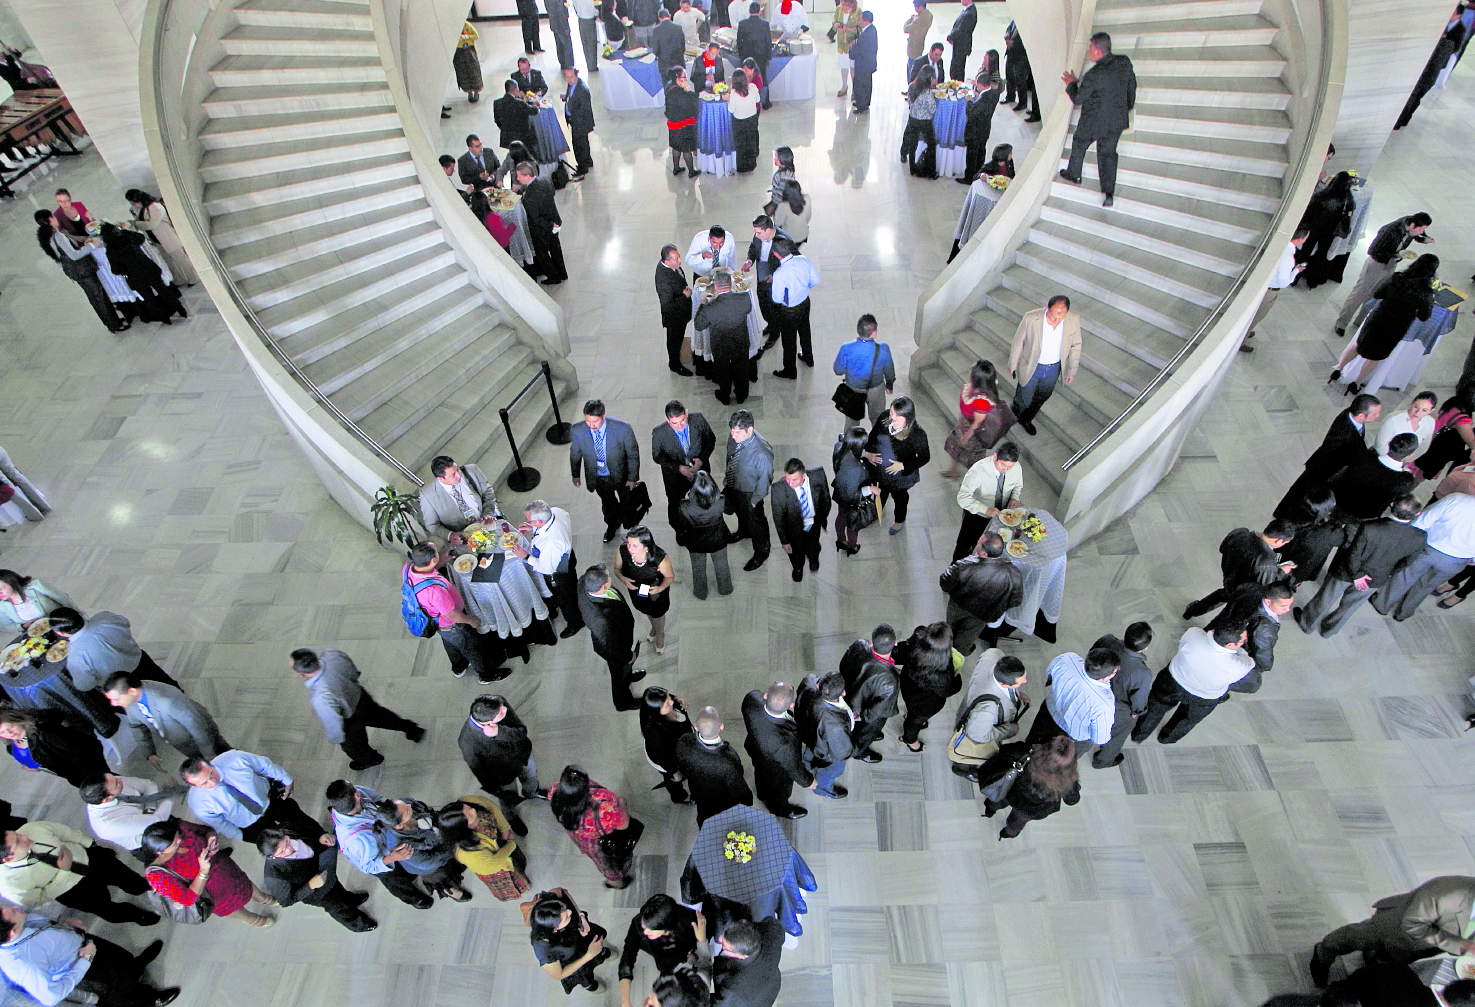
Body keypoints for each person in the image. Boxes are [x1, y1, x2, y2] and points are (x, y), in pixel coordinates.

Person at [1296, 494, 1425, 636]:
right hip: (1375, 579)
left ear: (1392, 505)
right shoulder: (1419, 537)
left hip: (1347, 571)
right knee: (1349, 607)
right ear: (1417, 513)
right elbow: (1407, 562)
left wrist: (1357, 575)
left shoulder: (1370, 527)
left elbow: (1354, 553)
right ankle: (1329, 630)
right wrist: (1387, 572)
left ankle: (1307, 623)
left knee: (1325, 598)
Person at [1310, 876, 1475, 986]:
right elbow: (1412, 924)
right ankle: (1322, 954)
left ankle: (1376, 956)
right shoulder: (1445, 894)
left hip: (1422, 946)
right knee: (1352, 938)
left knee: (1391, 959)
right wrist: (1464, 945)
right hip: (1394, 926)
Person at [0, 906, 179, 1007]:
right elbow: (50, 996)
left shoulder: (19, 920)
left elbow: (37, 917)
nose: (15, 907)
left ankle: (137, 965)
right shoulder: (21, 963)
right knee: (119, 987)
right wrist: (85, 960)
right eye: (13, 912)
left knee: (122, 958)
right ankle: (151, 999)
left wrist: (62, 919)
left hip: (84, 942)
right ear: (12, 932)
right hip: (84, 967)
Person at [292, 647, 423, 771]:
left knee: (355, 747)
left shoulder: (319, 696)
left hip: (350, 719)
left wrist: (337, 737)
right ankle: (412, 729)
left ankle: (371, 760)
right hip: (361, 698)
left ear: (301, 674)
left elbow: (332, 720)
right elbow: (353, 671)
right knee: (384, 717)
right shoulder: (331, 655)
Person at [0, 822, 157, 925]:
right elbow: (39, 900)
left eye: (17, 833)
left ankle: (146, 887)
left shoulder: (31, 829)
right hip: (72, 891)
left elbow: (64, 832)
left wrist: (90, 844)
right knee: (108, 910)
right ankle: (136, 915)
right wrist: (64, 871)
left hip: (87, 858)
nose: (25, 836)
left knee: (126, 877)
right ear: (8, 858)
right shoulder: (9, 884)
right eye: (18, 841)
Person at [402, 541, 509, 685]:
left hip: (436, 623)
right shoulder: (435, 591)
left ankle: (459, 667)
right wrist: (470, 620)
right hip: (452, 625)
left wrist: (441, 562)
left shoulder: (408, 567)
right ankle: (486, 674)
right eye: (436, 552)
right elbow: (452, 615)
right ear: (433, 560)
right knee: (472, 648)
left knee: (450, 643)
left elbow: (426, 573)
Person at [1330, 254, 1440, 391]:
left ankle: (1339, 368)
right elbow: (1424, 316)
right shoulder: (1426, 292)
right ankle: (1357, 383)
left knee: (1358, 345)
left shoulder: (1397, 277)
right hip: (1396, 327)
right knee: (1375, 357)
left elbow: (1377, 293)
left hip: (1379, 317)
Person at [1131, 623, 1253, 745]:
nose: (1244, 641)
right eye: (1243, 640)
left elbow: (1183, 643)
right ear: (1230, 644)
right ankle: (1167, 738)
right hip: (1204, 698)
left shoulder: (1194, 634)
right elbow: (1248, 661)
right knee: (1186, 720)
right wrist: (1240, 650)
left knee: (1155, 707)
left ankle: (1139, 734)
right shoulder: (1238, 665)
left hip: (1173, 680)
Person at [139, 818, 275, 927]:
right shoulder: (157, 875)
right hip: (214, 893)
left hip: (225, 867)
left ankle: (262, 898)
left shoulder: (178, 827)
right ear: (161, 852)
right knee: (232, 908)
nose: (180, 840)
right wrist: (203, 870)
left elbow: (206, 830)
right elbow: (187, 899)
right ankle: (253, 919)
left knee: (245, 883)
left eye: (177, 836)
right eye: (174, 844)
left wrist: (211, 839)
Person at [326, 781, 434, 909]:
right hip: (381, 857)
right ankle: (413, 898)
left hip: (387, 839)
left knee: (407, 866)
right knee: (395, 879)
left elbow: (379, 799)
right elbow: (368, 866)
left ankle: (409, 874)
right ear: (356, 796)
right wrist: (393, 857)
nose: (357, 787)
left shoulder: (359, 793)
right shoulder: (355, 839)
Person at [1058, 32, 1137, 207]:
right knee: (1108, 154)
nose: (1087, 50)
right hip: (1115, 121)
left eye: (1090, 47)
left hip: (1093, 122)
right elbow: (1132, 87)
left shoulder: (1093, 74)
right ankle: (1108, 194)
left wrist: (1071, 84)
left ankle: (1074, 174)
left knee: (1079, 141)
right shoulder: (1124, 62)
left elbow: (1078, 98)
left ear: (1097, 50)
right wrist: (1127, 107)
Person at [181, 749, 324, 844]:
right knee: (281, 844)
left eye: (211, 774)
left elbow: (264, 765)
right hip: (251, 826)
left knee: (299, 820)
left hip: (270, 799)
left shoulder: (234, 759)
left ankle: (322, 837)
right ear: (194, 786)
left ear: (210, 764)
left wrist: (286, 779)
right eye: (203, 783)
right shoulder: (199, 803)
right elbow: (219, 823)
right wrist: (239, 836)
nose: (212, 782)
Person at [1274, 395, 1383, 518]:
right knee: (1302, 495)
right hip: (1323, 471)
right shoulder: (1344, 434)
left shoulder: (1351, 413)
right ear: (1361, 415)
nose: (1378, 416)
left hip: (1324, 466)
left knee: (1300, 491)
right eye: (1375, 414)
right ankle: (1285, 515)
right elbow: (1347, 452)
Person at [1373, 491, 1475, 620]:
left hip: (1428, 548)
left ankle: (1382, 605)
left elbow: (1421, 522)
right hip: (1457, 561)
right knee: (1427, 586)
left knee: (1404, 577)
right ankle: (1404, 613)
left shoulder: (1456, 499)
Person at [256, 826, 377, 932]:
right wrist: (310, 886)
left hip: (323, 869)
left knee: (337, 888)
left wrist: (320, 835)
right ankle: (359, 924)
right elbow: (286, 901)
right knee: (338, 906)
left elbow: (307, 827)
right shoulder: (274, 877)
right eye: (282, 851)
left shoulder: (288, 828)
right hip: (316, 892)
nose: (289, 849)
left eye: (287, 842)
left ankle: (350, 900)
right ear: (272, 856)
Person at [1333, 213, 1434, 336]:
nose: (1422, 231)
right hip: (1377, 264)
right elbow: (1373, 251)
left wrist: (1424, 239)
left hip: (1390, 264)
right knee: (1360, 294)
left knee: (1375, 294)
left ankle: (1361, 322)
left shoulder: (1409, 225)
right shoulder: (1390, 231)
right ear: (1413, 225)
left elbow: (1414, 235)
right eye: (1422, 229)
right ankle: (1342, 323)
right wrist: (1397, 255)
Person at [103, 673, 230, 769]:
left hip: (203, 739)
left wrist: (208, 752)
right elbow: (136, 726)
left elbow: (196, 725)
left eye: (116, 699)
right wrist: (149, 753)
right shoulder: (130, 701)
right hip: (183, 743)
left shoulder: (167, 701)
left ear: (132, 691)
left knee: (225, 758)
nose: (113, 704)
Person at [457, 695, 542, 835]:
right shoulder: (467, 741)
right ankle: (511, 816)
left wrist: (499, 732)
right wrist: (496, 790)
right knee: (508, 798)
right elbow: (479, 770)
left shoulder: (498, 703)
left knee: (531, 776)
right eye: (500, 713)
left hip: (523, 755)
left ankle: (532, 792)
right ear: (488, 722)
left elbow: (521, 731)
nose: (505, 709)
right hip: (502, 774)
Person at [1180, 520, 1298, 619]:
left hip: (1229, 576)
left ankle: (1192, 611)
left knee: (1221, 595)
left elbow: (1223, 548)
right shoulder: (1266, 561)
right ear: (1278, 540)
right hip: (1243, 591)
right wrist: (1281, 571)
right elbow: (1263, 586)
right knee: (1230, 612)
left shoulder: (1241, 533)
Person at [365, 795, 473, 903]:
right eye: (406, 810)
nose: (408, 805)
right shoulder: (400, 845)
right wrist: (451, 847)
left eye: (404, 804)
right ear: (398, 825)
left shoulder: (407, 804)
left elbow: (429, 811)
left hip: (439, 841)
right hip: (431, 865)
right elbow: (428, 862)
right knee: (443, 877)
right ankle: (451, 891)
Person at [34, 210, 127, 332]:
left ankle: (111, 322)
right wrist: (92, 246)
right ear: (50, 219)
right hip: (82, 270)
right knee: (99, 296)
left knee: (95, 297)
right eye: (53, 216)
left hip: (74, 272)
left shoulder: (47, 237)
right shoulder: (58, 236)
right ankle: (114, 324)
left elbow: (59, 259)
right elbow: (74, 255)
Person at [547, 765, 638, 888]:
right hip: (599, 841)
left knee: (600, 861)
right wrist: (622, 802)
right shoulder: (603, 809)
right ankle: (615, 881)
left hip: (579, 836)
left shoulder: (554, 792)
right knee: (610, 863)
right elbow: (624, 824)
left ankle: (613, 880)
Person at [47, 609, 175, 692]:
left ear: (60, 633)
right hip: (140, 660)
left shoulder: (75, 657)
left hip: (121, 684)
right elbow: (125, 622)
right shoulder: (104, 617)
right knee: (165, 683)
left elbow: (84, 685)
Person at [978, 735, 1080, 838]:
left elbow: (1004, 751)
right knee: (1018, 821)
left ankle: (990, 810)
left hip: (1010, 792)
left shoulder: (1025, 752)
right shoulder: (1068, 781)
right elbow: (1072, 801)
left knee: (998, 800)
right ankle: (1009, 833)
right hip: (1032, 809)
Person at [570, 399, 643, 543]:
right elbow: (575, 454)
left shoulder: (623, 429)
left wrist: (632, 478)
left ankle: (633, 529)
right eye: (588, 421)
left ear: (603, 416)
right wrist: (575, 474)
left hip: (622, 476)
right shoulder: (577, 430)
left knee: (628, 503)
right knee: (608, 504)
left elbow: (633, 455)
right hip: (598, 477)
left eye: (595, 422)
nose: (591, 426)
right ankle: (612, 525)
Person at [1008, 294, 1082, 436]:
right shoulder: (1031, 318)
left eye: (1061, 317)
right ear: (1047, 309)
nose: (1057, 320)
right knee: (1024, 397)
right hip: (1032, 366)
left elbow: (1076, 346)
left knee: (1042, 396)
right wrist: (1013, 363)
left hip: (1053, 369)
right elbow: (1019, 342)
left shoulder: (1073, 320)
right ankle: (1011, 417)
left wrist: (1072, 370)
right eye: (1054, 317)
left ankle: (1026, 419)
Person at [1025, 647, 1119, 755]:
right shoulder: (1104, 704)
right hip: (1070, 738)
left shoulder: (1068, 658)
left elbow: (1049, 673)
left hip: (1047, 713)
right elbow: (1100, 739)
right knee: (1054, 767)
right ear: (1104, 677)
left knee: (1031, 745)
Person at [941, 532, 1024, 655]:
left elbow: (945, 583)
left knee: (951, 627)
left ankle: (945, 646)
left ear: (983, 553)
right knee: (969, 634)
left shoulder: (963, 566)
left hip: (958, 605)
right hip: (984, 613)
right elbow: (1016, 601)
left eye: (978, 544)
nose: (976, 545)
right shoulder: (1014, 573)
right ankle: (960, 653)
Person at [578, 564, 646, 711]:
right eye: (608, 578)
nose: (610, 578)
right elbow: (613, 646)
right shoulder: (600, 620)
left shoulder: (585, 581)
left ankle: (628, 675)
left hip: (617, 634)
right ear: (603, 587)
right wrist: (629, 657)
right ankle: (623, 703)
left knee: (623, 671)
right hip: (612, 648)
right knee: (618, 675)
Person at [741, 683, 814, 819]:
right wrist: (809, 781)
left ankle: (762, 793)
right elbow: (793, 767)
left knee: (760, 773)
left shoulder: (750, 700)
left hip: (756, 751)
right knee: (780, 792)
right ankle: (778, 809)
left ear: (765, 696)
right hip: (777, 770)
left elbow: (754, 693)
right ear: (791, 705)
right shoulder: (785, 743)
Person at [437, 796, 529, 902]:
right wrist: (511, 843)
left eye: (467, 808)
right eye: (469, 815)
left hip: (500, 844)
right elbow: (494, 864)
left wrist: (505, 828)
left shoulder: (466, 800)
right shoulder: (467, 852)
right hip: (498, 866)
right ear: (463, 828)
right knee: (514, 880)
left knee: (518, 863)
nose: (473, 810)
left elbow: (490, 806)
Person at [619, 895, 705, 1007]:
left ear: (667, 927)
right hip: (661, 958)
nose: (644, 932)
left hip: (683, 954)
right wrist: (625, 1002)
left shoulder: (689, 920)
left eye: (651, 929)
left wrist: (696, 951)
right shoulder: (638, 923)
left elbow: (700, 939)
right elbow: (627, 958)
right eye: (644, 925)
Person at [673, 706, 754, 824]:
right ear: (721, 726)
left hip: (699, 793)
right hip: (722, 800)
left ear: (695, 728)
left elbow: (681, 762)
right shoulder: (729, 760)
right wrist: (747, 800)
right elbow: (737, 787)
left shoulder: (684, 741)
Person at [952, 649, 1029, 771]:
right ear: (1004, 685)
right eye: (1020, 683)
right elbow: (978, 736)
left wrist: (1017, 694)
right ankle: (963, 768)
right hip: (975, 726)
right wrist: (1009, 730)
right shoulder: (987, 709)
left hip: (972, 704)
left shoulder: (994, 654)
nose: (1026, 681)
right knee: (969, 753)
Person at [515, 499, 582, 637]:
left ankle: (575, 623)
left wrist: (525, 557)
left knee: (564, 597)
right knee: (571, 588)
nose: (528, 523)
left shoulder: (552, 542)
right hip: (566, 557)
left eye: (530, 521)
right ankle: (575, 602)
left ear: (540, 522)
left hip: (557, 570)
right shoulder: (557, 512)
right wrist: (532, 528)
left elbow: (546, 568)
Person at [863, 396, 931, 533]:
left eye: (897, 415)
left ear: (908, 417)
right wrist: (868, 453)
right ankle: (877, 511)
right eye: (892, 412)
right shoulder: (884, 418)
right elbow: (872, 437)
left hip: (899, 477)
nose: (892, 417)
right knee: (879, 492)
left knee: (899, 498)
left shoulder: (917, 435)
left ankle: (899, 520)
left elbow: (925, 457)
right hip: (879, 471)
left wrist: (903, 466)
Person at [99, 224, 186, 325]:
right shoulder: (127, 236)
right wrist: (126, 231)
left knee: (149, 299)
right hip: (148, 268)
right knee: (163, 290)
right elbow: (141, 239)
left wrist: (125, 269)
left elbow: (116, 270)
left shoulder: (110, 250)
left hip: (134, 276)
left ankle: (164, 318)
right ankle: (180, 309)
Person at [529, 888, 612, 993]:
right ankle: (591, 985)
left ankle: (603, 952)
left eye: (565, 909)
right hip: (574, 960)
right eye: (566, 917)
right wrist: (589, 955)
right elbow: (558, 974)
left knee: (596, 941)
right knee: (585, 975)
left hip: (579, 935)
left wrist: (581, 917)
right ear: (555, 928)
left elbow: (562, 891)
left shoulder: (548, 903)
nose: (570, 912)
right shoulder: (543, 948)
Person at [893, 622, 960, 752]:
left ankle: (910, 718)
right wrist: (958, 679)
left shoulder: (915, 643)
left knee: (913, 714)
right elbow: (950, 689)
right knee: (914, 721)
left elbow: (895, 655)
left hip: (908, 688)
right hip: (926, 704)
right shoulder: (943, 674)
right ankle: (910, 740)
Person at [943, 359, 1016, 475]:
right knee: (955, 448)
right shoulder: (972, 388)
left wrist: (965, 438)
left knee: (973, 460)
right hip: (964, 424)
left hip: (973, 433)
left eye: (973, 371)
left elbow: (976, 424)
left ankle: (977, 481)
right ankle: (954, 471)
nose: (971, 369)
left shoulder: (981, 401)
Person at [952, 443, 1023, 562]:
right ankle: (956, 570)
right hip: (978, 515)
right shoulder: (978, 471)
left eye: (1010, 466)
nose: (1006, 469)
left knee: (994, 546)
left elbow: (1018, 486)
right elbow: (962, 498)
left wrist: (1014, 498)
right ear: (995, 456)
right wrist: (985, 509)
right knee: (965, 545)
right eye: (1003, 465)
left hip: (1002, 514)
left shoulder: (1016, 467)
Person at [837, 626, 899, 762]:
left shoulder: (859, 645)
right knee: (863, 736)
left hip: (847, 698)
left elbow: (843, 666)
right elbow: (877, 712)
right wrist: (861, 718)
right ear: (895, 644)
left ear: (872, 642)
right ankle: (860, 753)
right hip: (864, 714)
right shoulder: (890, 681)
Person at [1240, 229, 1308, 352]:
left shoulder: (1277, 245)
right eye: (1305, 237)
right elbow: (1283, 282)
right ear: (1299, 239)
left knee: (1251, 314)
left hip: (1261, 284)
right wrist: (1296, 271)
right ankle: (1240, 341)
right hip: (1269, 291)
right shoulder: (1288, 257)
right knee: (1256, 316)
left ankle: (1245, 332)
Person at [1220, 582, 1294, 695]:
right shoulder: (1265, 628)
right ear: (1268, 601)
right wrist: (1265, 666)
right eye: (1284, 606)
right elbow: (1263, 653)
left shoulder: (1253, 589)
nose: (1288, 610)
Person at [0, 709, 107, 787]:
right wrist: (31, 765)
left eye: (10, 727)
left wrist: (93, 778)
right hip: (70, 773)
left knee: (109, 784)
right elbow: (34, 758)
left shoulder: (45, 733)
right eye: (1, 732)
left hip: (86, 767)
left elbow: (79, 752)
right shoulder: (11, 748)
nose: (8, 733)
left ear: (20, 721)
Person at [724, 410, 775, 571]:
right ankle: (743, 531)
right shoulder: (735, 436)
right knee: (740, 512)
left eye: (737, 432)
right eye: (732, 431)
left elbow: (765, 480)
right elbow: (730, 457)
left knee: (756, 522)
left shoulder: (762, 452)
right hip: (735, 485)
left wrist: (755, 500)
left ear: (750, 430)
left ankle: (762, 551)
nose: (733, 435)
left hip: (751, 493)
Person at [80, 774, 181, 854]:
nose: (119, 779)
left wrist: (149, 810)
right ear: (106, 799)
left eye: (113, 777)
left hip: (157, 815)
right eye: (116, 783)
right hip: (153, 843)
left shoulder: (113, 783)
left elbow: (148, 785)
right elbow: (158, 821)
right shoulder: (108, 824)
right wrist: (170, 794)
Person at [653, 401, 716, 527]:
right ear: (667, 420)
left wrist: (701, 459)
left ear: (686, 413)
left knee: (704, 499)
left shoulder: (698, 419)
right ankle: (679, 529)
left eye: (682, 420)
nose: (680, 426)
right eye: (674, 423)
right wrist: (679, 468)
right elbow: (657, 456)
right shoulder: (659, 433)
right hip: (674, 476)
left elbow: (710, 439)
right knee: (675, 503)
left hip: (700, 470)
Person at [1328, 433, 1419, 520]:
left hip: (1336, 504)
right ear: (1410, 455)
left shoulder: (1363, 456)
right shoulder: (1406, 481)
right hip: (1365, 518)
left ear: (1389, 443)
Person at [1394, 20, 1465, 129]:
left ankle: (1399, 123)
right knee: (1416, 99)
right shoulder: (1448, 45)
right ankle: (1405, 120)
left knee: (1412, 99)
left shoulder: (1439, 46)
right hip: (1430, 77)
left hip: (1425, 76)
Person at [770, 458, 831, 583]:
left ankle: (813, 559)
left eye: (794, 480)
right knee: (795, 551)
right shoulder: (778, 489)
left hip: (814, 524)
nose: (790, 484)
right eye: (787, 479)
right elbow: (778, 518)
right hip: (793, 529)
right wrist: (784, 541)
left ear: (804, 475)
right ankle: (798, 568)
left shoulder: (818, 476)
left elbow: (826, 499)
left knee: (813, 546)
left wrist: (821, 518)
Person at [692, 267, 750, 401]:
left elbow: (699, 326)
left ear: (716, 287)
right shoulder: (744, 297)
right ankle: (742, 395)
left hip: (720, 345)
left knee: (723, 370)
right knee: (741, 369)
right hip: (741, 341)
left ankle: (724, 395)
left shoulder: (710, 308)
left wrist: (703, 304)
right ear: (730, 284)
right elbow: (748, 310)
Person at [615, 527, 676, 652]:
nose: (630, 548)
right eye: (629, 543)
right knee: (646, 609)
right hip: (637, 590)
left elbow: (670, 577)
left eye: (635, 545)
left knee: (658, 613)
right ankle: (654, 628)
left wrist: (660, 588)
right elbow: (617, 569)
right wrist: (624, 580)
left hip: (655, 591)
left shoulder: (659, 558)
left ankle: (660, 633)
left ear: (646, 546)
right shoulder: (622, 551)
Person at [418, 455, 501, 547]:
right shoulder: (428, 496)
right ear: (440, 479)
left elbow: (487, 491)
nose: (459, 475)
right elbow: (432, 525)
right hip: (466, 540)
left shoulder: (471, 470)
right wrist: (450, 535)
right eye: (453, 474)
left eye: (457, 469)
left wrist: (488, 512)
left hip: (488, 524)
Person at [796, 670, 855, 798]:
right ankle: (822, 787)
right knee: (834, 769)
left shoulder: (809, 681)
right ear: (843, 693)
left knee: (810, 753)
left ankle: (806, 765)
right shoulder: (834, 724)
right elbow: (841, 752)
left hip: (809, 735)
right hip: (826, 749)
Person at [768, 237, 821, 378]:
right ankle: (808, 358)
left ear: (775, 253)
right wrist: (803, 288)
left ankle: (790, 370)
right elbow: (816, 279)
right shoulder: (803, 259)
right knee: (805, 330)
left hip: (789, 310)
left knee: (789, 341)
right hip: (805, 303)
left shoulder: (779, 274)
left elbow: (776, 299)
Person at [1295, 171, 1357, 289]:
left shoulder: (1322, 195)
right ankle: (1313, 280)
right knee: (1322, 255)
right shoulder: (1346, 199)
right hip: (1330, 232)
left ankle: (1296, 276)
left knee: (1305, 253)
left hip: (1314, 228)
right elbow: (1352, 207)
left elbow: (1309, 212)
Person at [1276, 486, 1347, 589]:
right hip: (1303, 568)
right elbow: (1341, 540)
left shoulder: (1296, 514)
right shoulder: (1331, 531)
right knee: (1288, 585)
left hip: (1287, 555)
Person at [676, 471, 734, 599]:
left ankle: (700, 592)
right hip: (718, 539)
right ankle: (725, 589)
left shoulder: (684, 505)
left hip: (695, 542)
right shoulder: (721, 501)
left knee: (698, 568)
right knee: (721, 564)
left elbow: (682, 525)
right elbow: (730, 511)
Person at [832, 315, 896, 428]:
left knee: (851, 421)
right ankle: (877, 442)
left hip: (853, 390)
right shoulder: (883, 348)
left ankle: (850, 442)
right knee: (878, 420)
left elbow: (838, 370)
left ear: (858, 330)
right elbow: (889, 370)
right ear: (874, 333)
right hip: (876, 390)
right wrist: (889, 385)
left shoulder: (846, 348)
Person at [123, 190, 196, 287]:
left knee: (181, 259)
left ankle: (194, 277)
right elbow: (141, 221)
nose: (135, 205)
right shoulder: (142, 209)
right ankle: (179, 279)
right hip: (158, 240)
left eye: (135, 203)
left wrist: (135, 223)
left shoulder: (155, 207)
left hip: (168, 237)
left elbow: (151, 224)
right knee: (170, 261)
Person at [513, 160, 567, 284]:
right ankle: (562, 273)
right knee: (555, 249)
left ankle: (553, 277)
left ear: (526, 176)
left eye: (519, 176)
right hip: (554, 220)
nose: (517, 178)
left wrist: (549, 226)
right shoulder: (544, 180)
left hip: (542, 228)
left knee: (542, 253)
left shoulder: (529, 196)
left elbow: (535, 218)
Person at [712, 917, 785, 1006]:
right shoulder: (771, 931)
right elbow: (774, 924)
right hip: (771, 984)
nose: (719, 939)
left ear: (741, 956)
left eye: (725, 947)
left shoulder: (731, 990)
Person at [640, 687, 696, 803]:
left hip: (680, 744)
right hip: (667, 759)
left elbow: (669, 697)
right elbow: (664, 759)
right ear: (657, 711)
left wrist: (675, 698)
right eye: (667, 704)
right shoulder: (655, 733)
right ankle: (678, 797)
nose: (672, 702)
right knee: (673, 781)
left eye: (669, 698)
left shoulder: (663, 704)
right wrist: (676, 773)